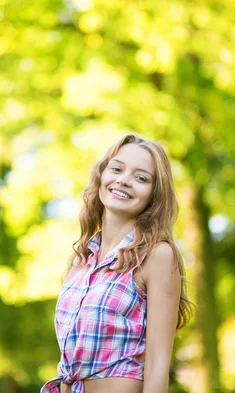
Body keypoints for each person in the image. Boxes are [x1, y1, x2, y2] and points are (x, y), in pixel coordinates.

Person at [40, 133, 194, 393]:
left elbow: (157, 365)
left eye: (141, 177)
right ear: (102, 175)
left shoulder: (158, 256)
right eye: (117, 169)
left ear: (154, 194)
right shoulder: (82, 260)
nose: (124, 180)